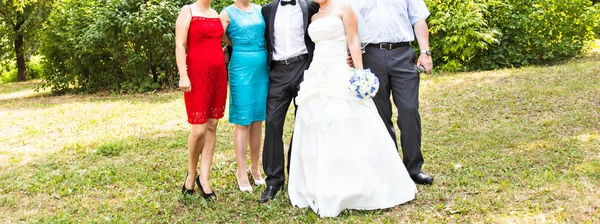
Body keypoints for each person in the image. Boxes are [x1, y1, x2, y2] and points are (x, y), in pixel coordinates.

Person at [288, 0, 417, 217]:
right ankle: (319, 185)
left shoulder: (344, 8)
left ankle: (358, 186)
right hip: (318, 72)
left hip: (341, 69)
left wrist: (360, 73)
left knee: (347, 122)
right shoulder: (314, 16)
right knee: (316, 124)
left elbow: (353, 40)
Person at [355, 0, 435, 185]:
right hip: (370, 54)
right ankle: (390, 167)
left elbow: (419, 20)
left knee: (409, 109)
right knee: (380, 114)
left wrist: (425, 52)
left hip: (402, 53)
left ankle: (414, 168)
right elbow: (349, 23)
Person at [259, 0, 319, 203]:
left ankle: (296, 172)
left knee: (303, 120)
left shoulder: (310, 6)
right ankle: (274, 181)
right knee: (273, 122)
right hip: (277, 71)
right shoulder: (266, 10)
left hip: (304, 66)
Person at [175, 0, 226, 200]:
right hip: (196, 75)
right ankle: (191, 173)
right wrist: (183, 74)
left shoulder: (216, 14)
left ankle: (204, 178)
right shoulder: (187, 11)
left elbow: (222, 40)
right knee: (198, 130)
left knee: (212, 125)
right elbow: (180, 44)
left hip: (218, 75)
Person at [219, 0, 269, 193]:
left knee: (257, 119)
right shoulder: (227, 13)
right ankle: (241, 171)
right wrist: (236, 44)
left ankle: (254, 168)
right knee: (243, 121)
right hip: (241, 68)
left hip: (261, 68)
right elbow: (220, 35)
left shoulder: (259, 10)